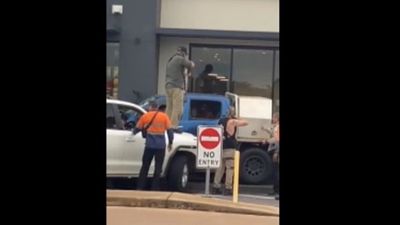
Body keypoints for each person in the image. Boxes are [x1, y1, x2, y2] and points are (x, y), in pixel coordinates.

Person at [133, 101, 174, 190]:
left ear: (150, 107)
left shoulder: (145, 116)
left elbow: (137, 128)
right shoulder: (164, 116)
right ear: (157, 107)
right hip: (160, 147)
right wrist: (170, 143)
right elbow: (170, 131)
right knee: (158, 167)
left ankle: (140, 187)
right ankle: (155, 188)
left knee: (145, 166)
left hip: (149, 146)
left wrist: (132, 133)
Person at [212, 107, 248, 195]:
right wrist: (238, 117)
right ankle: (228, 188)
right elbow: (246, 123)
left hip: (221, 145)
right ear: (232, 114)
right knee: (230, 168)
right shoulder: (232, 121)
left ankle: (215, 186)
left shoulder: (220, 121)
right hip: (230, 146)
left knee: (220, 168)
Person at [165, 46, 195, 129]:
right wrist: (190, 68)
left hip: (168, 86)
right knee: (177, 108)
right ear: (183, 53)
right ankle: (173, 127)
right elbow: (191, 65)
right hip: (176, 87)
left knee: (169, 107)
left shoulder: (170, 60)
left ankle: (166, 125)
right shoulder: (180, 58)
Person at [267, 112, 280, 200]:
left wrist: (276, 152)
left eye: (273, 117)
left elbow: (278, 140)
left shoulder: (278, 127)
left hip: (277, 150)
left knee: (277, 172)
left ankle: (277, 192)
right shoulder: (276, 127)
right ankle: (275, 189)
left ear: (277, 118)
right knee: (275, 171)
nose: (272, 119)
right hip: (276, 150)